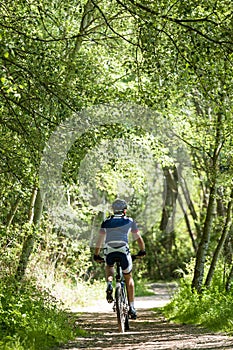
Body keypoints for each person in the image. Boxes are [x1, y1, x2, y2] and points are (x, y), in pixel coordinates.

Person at [94, 199, 146, 319]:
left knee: (109, 266)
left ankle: (109, 284)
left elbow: (99, 241)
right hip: (123, 250)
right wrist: (142, 251)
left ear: (113, 210)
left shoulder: (106, 221)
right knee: (128, 277)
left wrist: (96, 255)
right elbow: (138, 238)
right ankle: (132, 307)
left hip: (109, 250)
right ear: (124, 211)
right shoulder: (129, 221)